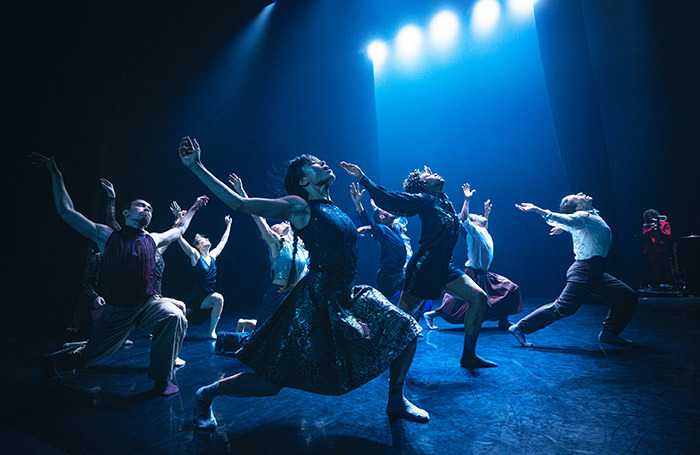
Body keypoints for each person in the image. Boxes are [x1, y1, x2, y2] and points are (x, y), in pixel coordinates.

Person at [178, 137, 428, 430]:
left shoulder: (331, 205)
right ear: (303, 180)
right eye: (314, 164)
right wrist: (196, 166)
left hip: (345, 295)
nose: (323, 163)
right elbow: (240, 204)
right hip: (314, 303)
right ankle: (207, 393)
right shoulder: (299, 206)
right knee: (271, 383)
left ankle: (396, 400)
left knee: (405, 329)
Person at [32, 152, 206, 396]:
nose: (146, 209)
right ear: (126, 213)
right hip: (118, 311)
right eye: (141, 205)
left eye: (150, 208)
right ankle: (51, 361)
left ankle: (161, 380)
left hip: (148, 305)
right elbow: (66, 211)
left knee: (174, 316)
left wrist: (195, 208)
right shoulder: (107, 235)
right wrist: (56, 174)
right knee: (88, 357)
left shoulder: (153, 239)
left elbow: (180, 228)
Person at [340, 162, 494, 369]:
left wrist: (458, 196)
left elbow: (459, 220)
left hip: (444, 267)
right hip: (424, 268)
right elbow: (389, 197)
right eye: (427, 176)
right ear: (424, 187)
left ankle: (468, 356)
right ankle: (375, 351)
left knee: (479, 297)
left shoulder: (444, 200)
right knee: (403, 318)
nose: (435, 173)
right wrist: (363, 178)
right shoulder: (423, 201)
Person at [508, 193, 638, 348]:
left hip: (595, 271)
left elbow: (573, 224)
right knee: (563, 308)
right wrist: (538, 210)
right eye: (576, 197)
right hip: (584, 271)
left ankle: (610, 332)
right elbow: (569, 219)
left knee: (627, 297)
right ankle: (520, 327)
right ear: (578, 207)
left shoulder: (589, 216)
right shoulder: (582, 216)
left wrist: (563, 228)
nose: (580, 194)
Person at [424, 184, 522, 330]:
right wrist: (467, 199)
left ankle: (503, 320)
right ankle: (433, 314)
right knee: (458, 303)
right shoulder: (473, 232)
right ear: (474, 222)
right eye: (479, 216)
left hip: (485, 274)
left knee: (509, 289)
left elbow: (484, 227)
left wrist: (487, 214)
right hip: (473, 272)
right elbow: (463, 219)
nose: (481, 216)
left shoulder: (482, 231)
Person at [228, 172, 309, 333]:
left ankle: (246, 324)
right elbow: (258, 217)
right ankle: (243, 323)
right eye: (277, 224)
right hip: (277, 296)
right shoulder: (277, 243)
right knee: (265, 332)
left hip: (294, 298)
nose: (282, 222)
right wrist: (241, 192)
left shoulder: (301, 247)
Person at [349, 182, 412, 302]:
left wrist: (376, 207)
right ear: (382, 217)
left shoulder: (394, 229)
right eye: (386, 211)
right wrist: (358, 203)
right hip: (389, 276)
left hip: (401, 274)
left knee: (415, 295)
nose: (390, 210)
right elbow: (369, 222)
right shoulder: (383, 230)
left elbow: (400, 214)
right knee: (380, 303)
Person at [177, 215, 232, 339]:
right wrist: (178, 221)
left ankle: (212, 332)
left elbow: (223, 241)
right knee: (179, 316)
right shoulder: (195, 256)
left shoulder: (213, 255)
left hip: (207, 297)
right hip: (195, 297)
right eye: (203, 239)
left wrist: (228, 225)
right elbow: (179, 238)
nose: (207, 239)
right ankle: (155, 330)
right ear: (198, 246)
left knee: (219, 298)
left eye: (207, 238)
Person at [642, 209, 675, 286]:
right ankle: (661, 284)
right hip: (652, 250)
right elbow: (644, 235)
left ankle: (671, 285)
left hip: (663, 249)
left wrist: (660, 230)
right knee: (656, 268)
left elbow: (669, 235)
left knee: (667, 268)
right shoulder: (646, 225)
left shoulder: (664, 224)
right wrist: (651, 230)